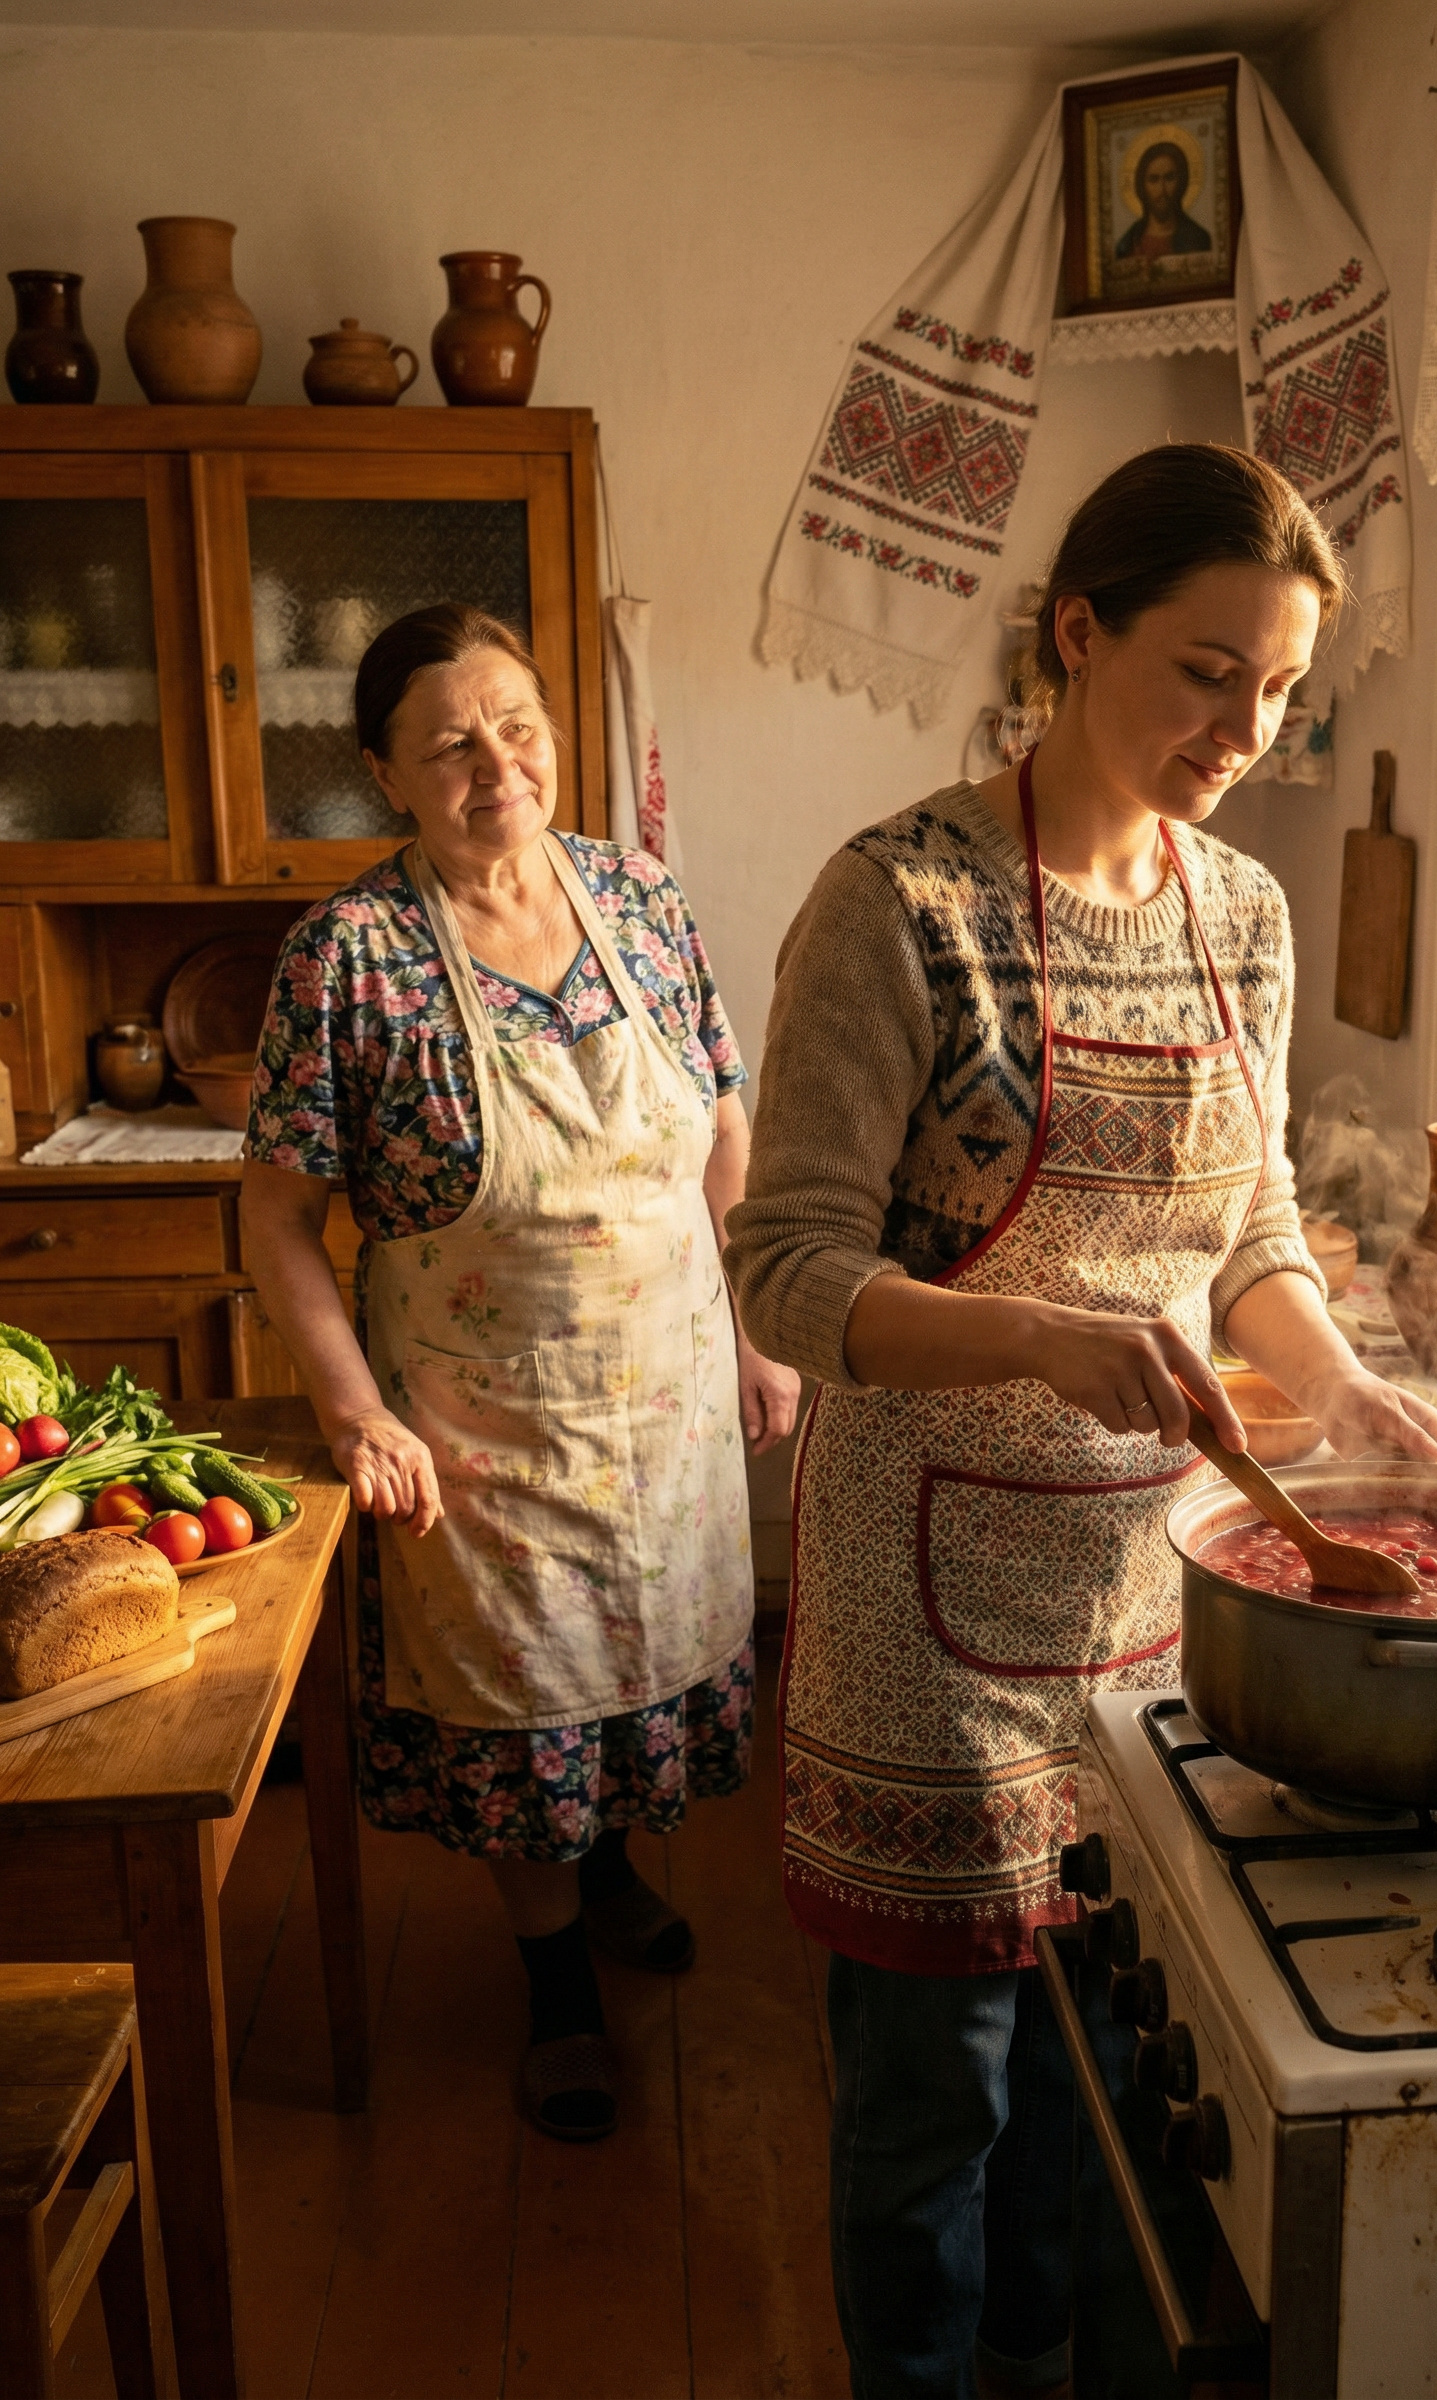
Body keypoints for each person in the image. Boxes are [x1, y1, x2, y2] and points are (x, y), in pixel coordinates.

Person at [725, 445, 1437, 2399]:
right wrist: (1039, 1340)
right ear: (1075, 633)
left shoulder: (1243, 914)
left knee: (1103, 2075)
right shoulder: (899, 905)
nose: (1248, 730)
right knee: (929, 2116)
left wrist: (1336, 1376)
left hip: (1157, 1607)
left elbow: (1249, 1238)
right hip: (921, 1626)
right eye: (1207, 671)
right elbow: (780, 1273)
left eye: (1283, 689)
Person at [242, 603, 799, 2143]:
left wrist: (756, 1329)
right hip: (485, 1423)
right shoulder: (348, 958)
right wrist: (354, 1411)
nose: (496, 764)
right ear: (386, 774)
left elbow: (729, 1123)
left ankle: (608, 1872)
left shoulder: (645, 903)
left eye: (517, 725)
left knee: (633, 1679)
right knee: (523, 1700)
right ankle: (553, 1980)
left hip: (668, 1397)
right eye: (448, 744)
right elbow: (279, 1214)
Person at [1115, 137, 1212, 261]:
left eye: (1169, 178)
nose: (1162, 190)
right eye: (1153, 179)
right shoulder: (1128, 244)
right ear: (1142, 186)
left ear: (1181, 182)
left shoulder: (1198, 239)